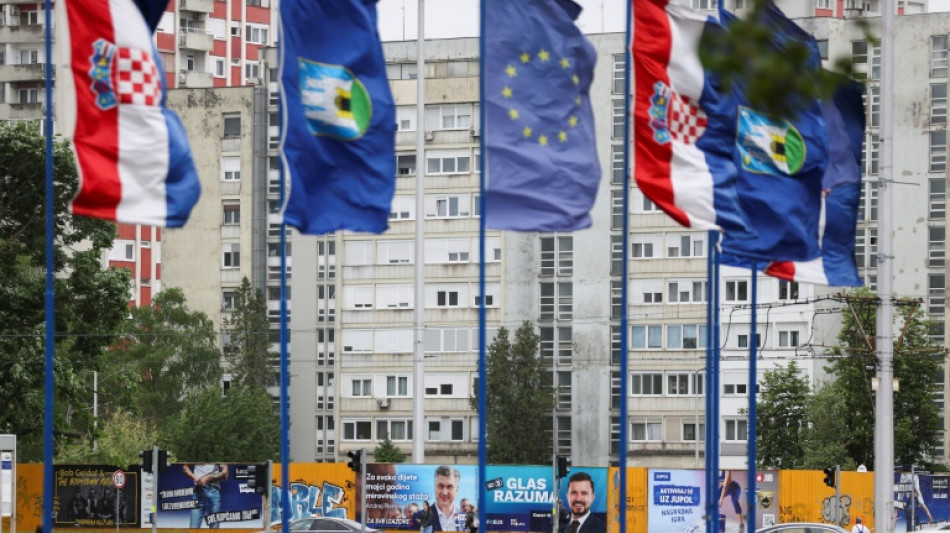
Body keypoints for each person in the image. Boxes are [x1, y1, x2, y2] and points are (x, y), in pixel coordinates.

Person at [183, 463, 229, 528]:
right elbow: (185, 467)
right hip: (199, 491)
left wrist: (210, 477)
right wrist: (194, 477)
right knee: (193, 529)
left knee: (214, 529)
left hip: (213, 491)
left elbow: (225, 474)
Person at [432, 466, 465, 531]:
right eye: (440, 486)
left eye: (449, 487)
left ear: (457, 489)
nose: (444, 493)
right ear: (434, 487)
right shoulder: (419, 517)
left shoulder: (466, 519)